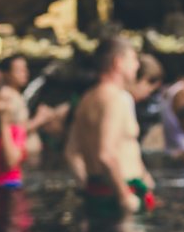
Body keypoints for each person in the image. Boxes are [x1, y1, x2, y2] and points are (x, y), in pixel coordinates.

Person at [65, 37, 155, 215]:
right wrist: (124, 196)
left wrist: (88, 186)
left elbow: (70, 152)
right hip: (122, 195)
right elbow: (106, 154)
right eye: (133, 59)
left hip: (96, 192)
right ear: (118, 63)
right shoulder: (116, 98)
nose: (137, 65)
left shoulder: (86, 99)